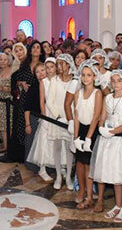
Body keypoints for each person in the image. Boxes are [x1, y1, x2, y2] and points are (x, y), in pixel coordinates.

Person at [90, 70, 122, 223]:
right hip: (109, 139)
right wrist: (101, 127)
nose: (116, 83)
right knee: (114, 173)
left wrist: (111, 132)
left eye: (119, 80)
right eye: (113, 81)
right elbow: (103, 116)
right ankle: (117, 205)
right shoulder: (107, 97)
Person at [72, 60, 103, 210]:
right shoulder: (77, 93)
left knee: (88, 165)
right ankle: (82, 190)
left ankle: (90, 196)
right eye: (83, 75)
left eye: (89, 75)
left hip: (92, 130)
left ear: (94, 77)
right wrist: (76, 136)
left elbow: (96, 116)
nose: (85, 78)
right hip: (81, 130)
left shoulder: (98, 93)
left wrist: (89, 138)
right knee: (79, 162)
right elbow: (76, 115)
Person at [27, 57, 59, 181]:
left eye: (52, 67)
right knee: (44, 140)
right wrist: (44, 117)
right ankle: (42, 168)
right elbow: (42, 100)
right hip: (48, 114)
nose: (49, 70)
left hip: (58, 113)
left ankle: (58, 165)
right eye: (47, 67)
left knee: (57, 140)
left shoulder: (58, 80)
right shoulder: (43, 82)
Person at [48, 54, 74, 190]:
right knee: (57, 147)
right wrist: (58, 117)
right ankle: (58, 175)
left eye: (62, 64)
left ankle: (69, 176)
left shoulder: (74, 81)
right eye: (58, 64)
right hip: (57, 117)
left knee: (69, 148)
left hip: (70, 117)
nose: (59, 67)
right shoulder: (54, 81)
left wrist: (70, 119)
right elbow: (50, 101)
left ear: (69, 65)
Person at [23, 63, 46, 170]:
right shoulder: (33, 88)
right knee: (32, 142)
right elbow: (27, 107)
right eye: (37, 72)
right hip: (34, 118)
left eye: (42, 70)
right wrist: (27, 124)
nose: (40, 73)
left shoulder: (52, 84)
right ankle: (32, 166)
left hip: (48, 118)